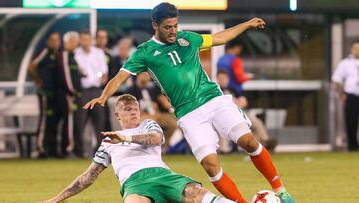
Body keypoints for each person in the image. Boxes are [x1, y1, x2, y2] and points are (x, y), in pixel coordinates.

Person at [84, 3, 295, 203]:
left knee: (248, 141)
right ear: (155, 26)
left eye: (175, 25)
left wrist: (246, 24)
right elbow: (120, 77)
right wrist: (103, 97)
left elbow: (218, 38)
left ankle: (281, 191)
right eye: (168, 27)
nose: (173, 31)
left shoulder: (188, 39)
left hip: (213, 99)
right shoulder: (145, 52)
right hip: (188, 114)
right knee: (210, 165)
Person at [38, 94, 236, 203]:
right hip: (134, 184)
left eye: (135, 109)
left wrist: (124, 137)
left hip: (162, 175)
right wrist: (56, 199)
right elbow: (88, 176)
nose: (133, 112)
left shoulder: (147, 125)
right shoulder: (107, 143)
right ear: (117, 116)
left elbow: (155, 139)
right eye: (127, 109)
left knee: (196, 193)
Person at [216, 70, 277, 153]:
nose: (223, 80)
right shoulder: (216, 91)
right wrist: (235, 102)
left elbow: (244, 102)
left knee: (256, 121)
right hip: (225, 116)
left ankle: (265, 143)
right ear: (217, 79)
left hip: (239, 113)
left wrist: (237, 102)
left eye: (225, 78)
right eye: (221, 78)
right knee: (223, 124)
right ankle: (224, 150)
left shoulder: (232, 90)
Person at [29, 32, 68, 158]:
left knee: (53, 121)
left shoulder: (59, 54)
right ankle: (39, 149)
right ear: (48, 41)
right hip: (45, 92)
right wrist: (39, 81)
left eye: (57, 40)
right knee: (45, 120)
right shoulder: (45, 52)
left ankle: (52, 150)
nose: (55, 43)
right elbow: (32, 66)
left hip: (55, 93)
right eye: (52, 40)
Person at [75, 31, 109, 154]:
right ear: (80, 40)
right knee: (80, 121)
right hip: (82, 92)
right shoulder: (75, 54)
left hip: (96, 90)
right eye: (83, 39)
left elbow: (105, 73)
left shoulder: (99, 53)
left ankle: (99, 150)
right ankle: (79, 151)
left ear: (91, 40)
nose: (85, 42)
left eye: (87, 39)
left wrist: (101, 84)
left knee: (100, 121)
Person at [332, 40, 359, 151]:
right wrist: (341, 94)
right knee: (351, 121)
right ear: (352, 49)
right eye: (356, 48)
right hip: (351, 95)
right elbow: (337, 80)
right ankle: (352, 146)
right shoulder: (345, 63)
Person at [59, 31, 83, 157]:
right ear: (65, 42)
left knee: (73, 122)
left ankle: (71, 148)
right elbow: (66, 75)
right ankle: (67, 149)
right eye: (71, 41)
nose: (74, 43)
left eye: (75, 41)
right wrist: (72, 91)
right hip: (68, 96)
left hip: (75, 94)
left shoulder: (73, 56)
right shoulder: (64, 55)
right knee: (69, 123)